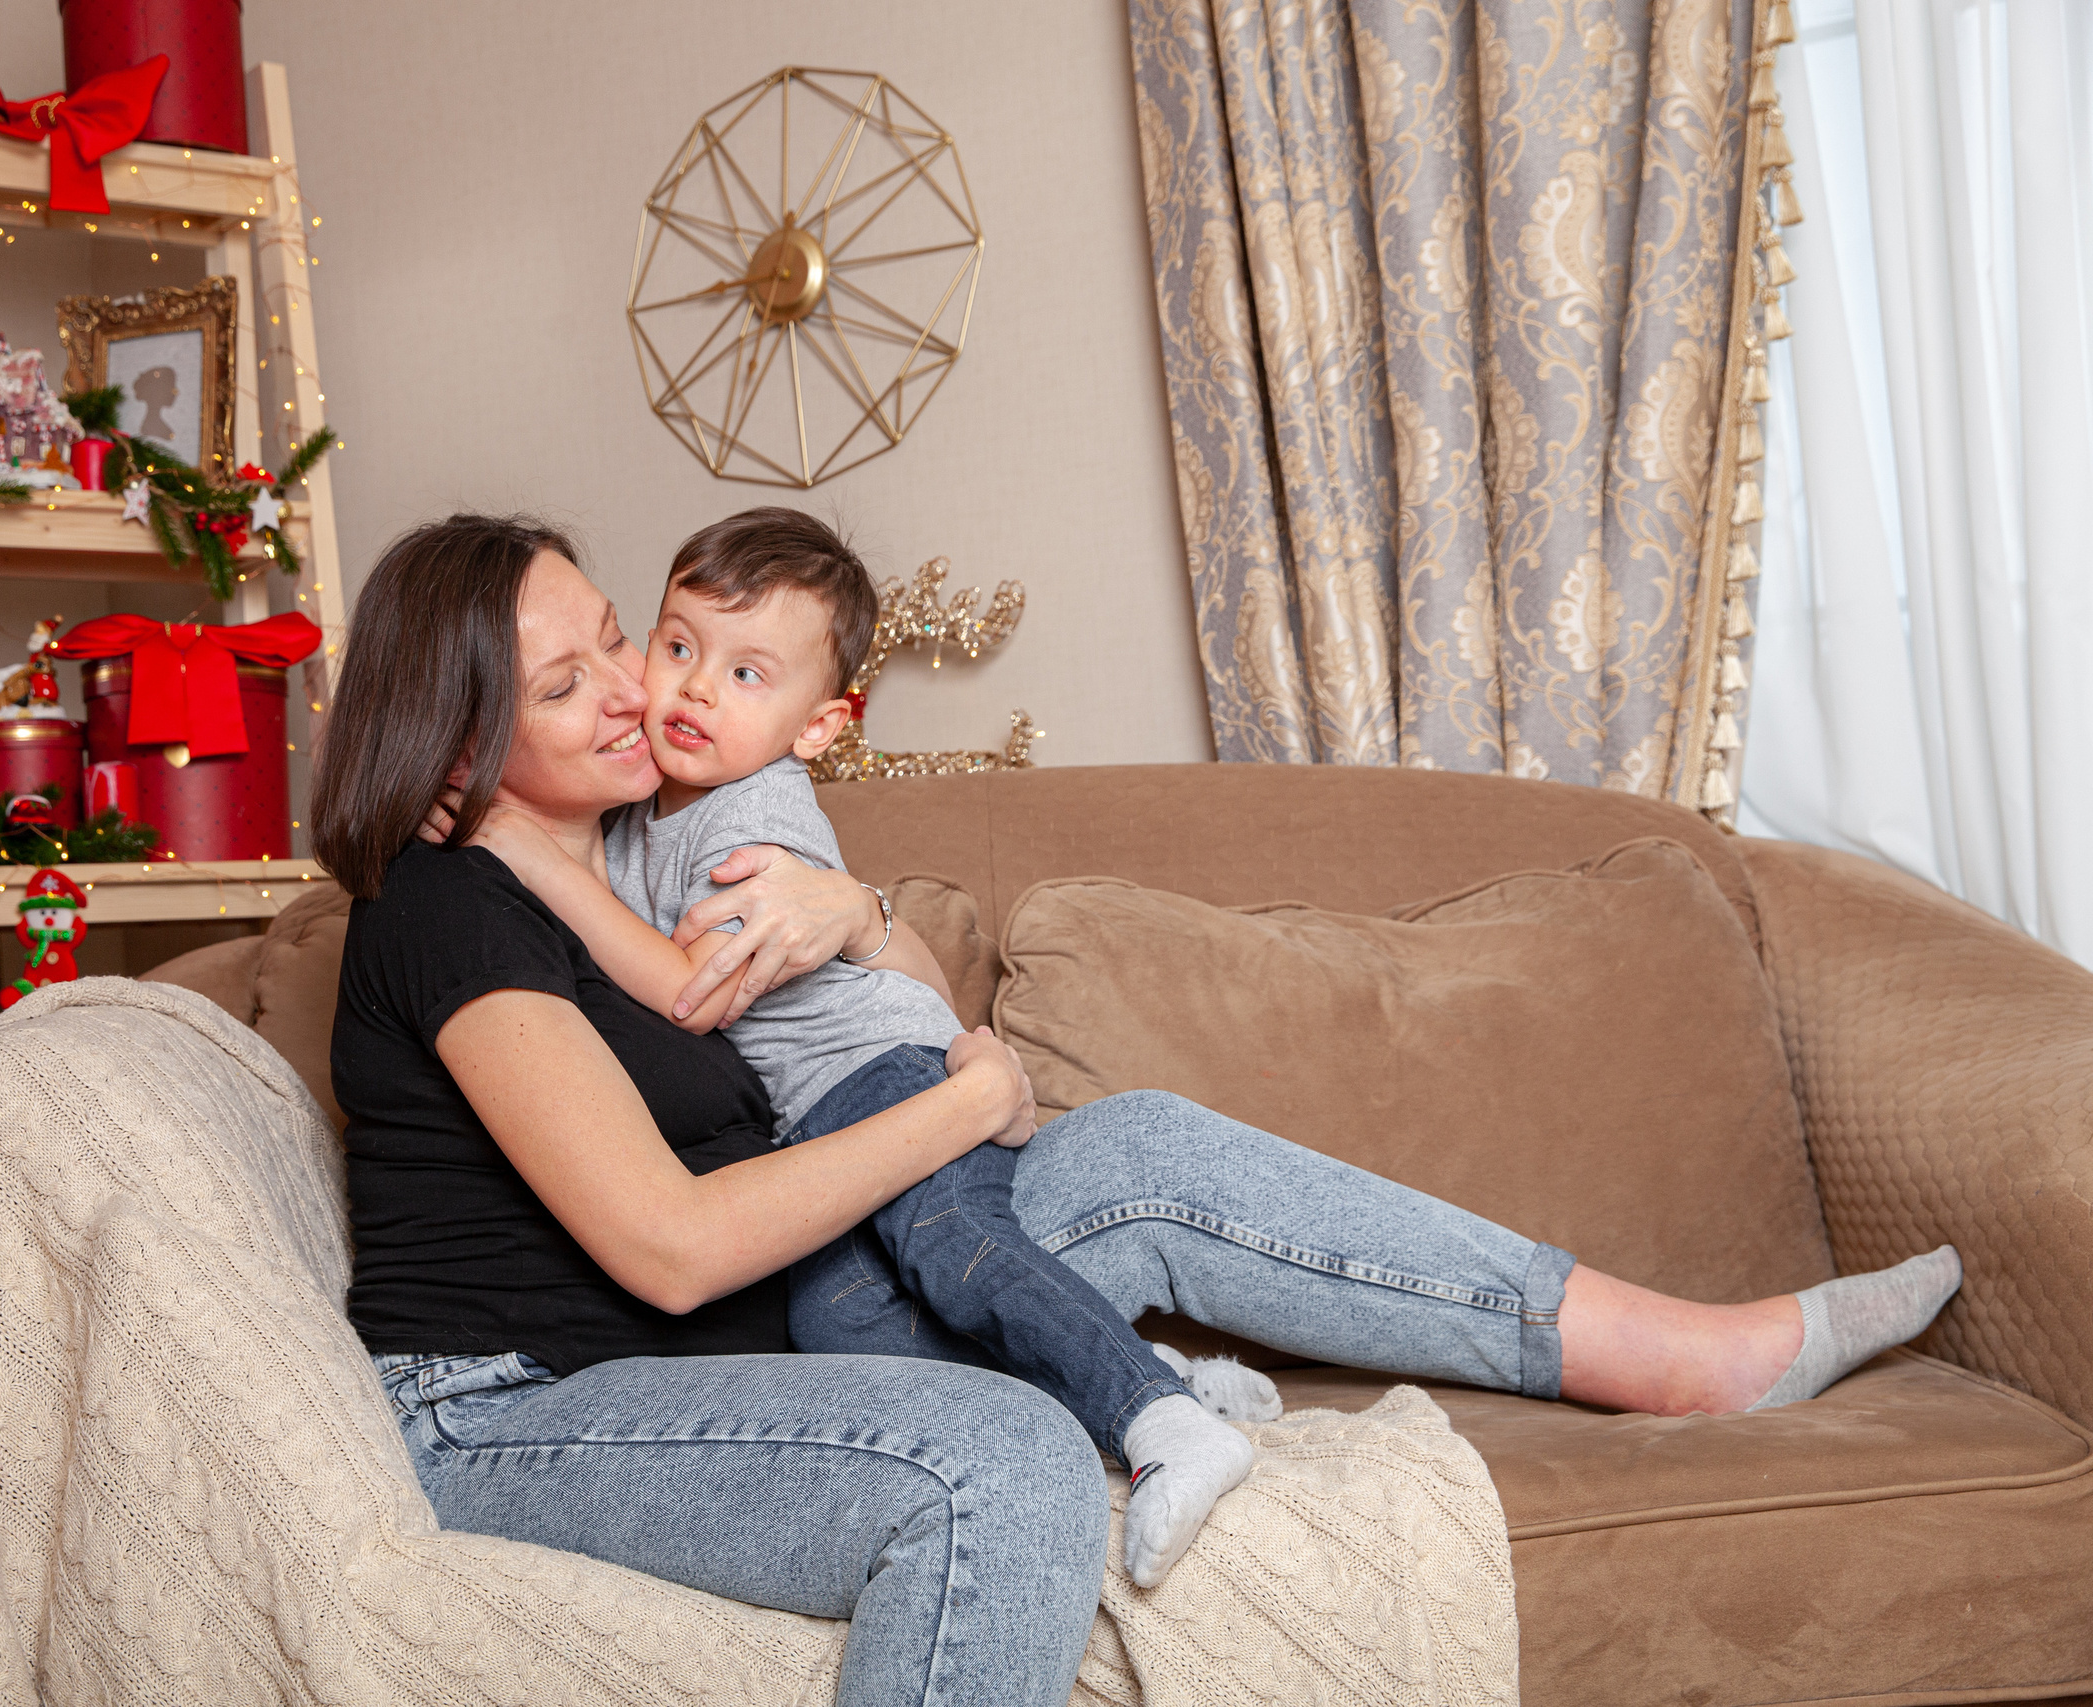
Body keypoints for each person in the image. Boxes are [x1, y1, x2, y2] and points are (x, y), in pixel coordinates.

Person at [314, 513, 1963, 1707]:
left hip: (785, 1313)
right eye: (569, 675)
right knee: (1006, 1463)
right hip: (525, 1406)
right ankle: (1141, 1390)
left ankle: (1687, 1356)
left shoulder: (645, 848)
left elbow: (849, 1025)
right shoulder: (445, 915)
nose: (629, 681)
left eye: (618, 630)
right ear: (457, 733)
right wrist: (979, 1099)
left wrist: (866, 922)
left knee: (1146, 1149)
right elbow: (670, 1248)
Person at [448, 508, 1272, 1587]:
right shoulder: (645, 811)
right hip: (816, 1118)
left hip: (879, 1078)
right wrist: (466, 797)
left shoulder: (758, 819)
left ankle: (1166, 1424)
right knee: (841, 1326)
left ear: (817, 731)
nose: (693, 688)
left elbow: (688, 991)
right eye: (679, 645)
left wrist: (537, 863)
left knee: (956, 1255)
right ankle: (1124, 1371)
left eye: (747, 675)